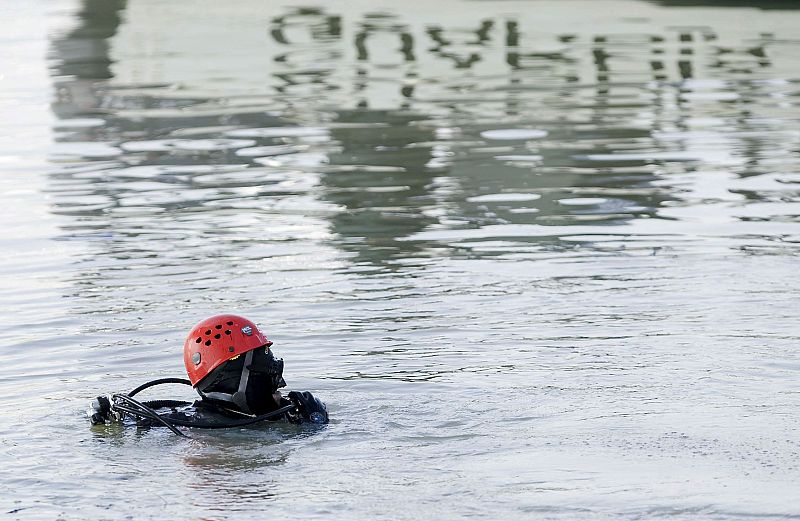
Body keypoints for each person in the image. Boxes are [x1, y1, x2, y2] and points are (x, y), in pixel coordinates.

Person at [89, 314, 328, 435]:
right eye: (267, 376)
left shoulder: (176, 419)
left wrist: (312, 419)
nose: (279, 384)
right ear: (237, 376)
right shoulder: (178, 420)